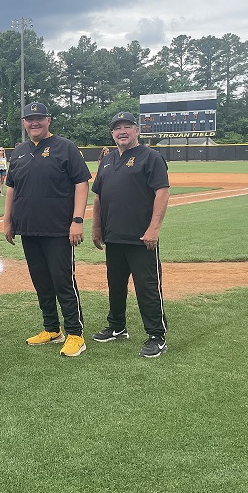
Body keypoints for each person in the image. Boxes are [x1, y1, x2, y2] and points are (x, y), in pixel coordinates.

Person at [3, 100, 92, 358]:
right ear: (24, 123)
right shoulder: (19, 151)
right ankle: (52, 329)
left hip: (58, 230)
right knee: (41, 282)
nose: (34, 122)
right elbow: (12, 188)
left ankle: (75, 333)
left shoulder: (65, 148)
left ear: (48, 120)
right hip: (29, 229)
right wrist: (8, 221)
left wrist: (77, 220)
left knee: (63, 282)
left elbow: (81, 183)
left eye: (39, 118)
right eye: (30, 119)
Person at [91, 112, 171, 358]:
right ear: (112, 134)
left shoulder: (151, 157)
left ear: (137, 131)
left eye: (127, 126)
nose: (122, 131)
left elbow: (162, 192)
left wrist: (153, 228)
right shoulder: (107, 160)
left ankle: (157, 335)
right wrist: (96, 228)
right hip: (114, 236)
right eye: (117, 128)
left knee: (147, 287)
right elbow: (99, 197)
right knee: (115, 285)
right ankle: (117, 326)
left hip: (141, 237)